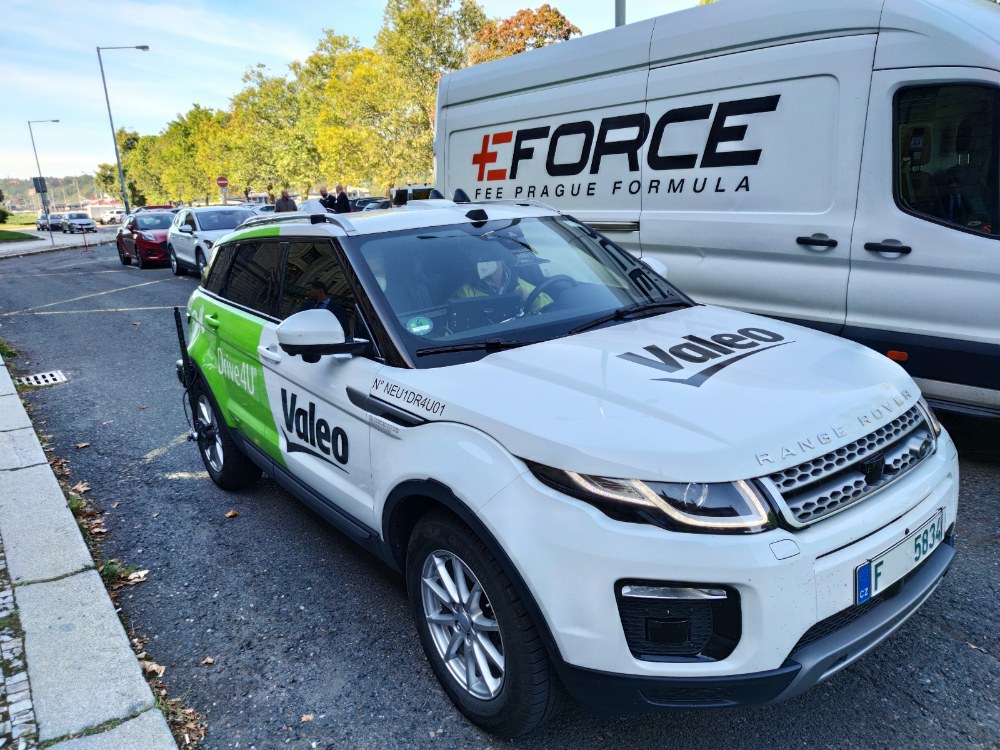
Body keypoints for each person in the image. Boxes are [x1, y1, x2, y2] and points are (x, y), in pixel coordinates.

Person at [453, 248, 553, 313]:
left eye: (487, 257)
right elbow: (459, 324)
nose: (480, 262)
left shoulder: (518, 284)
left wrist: (528, 300)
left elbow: (551, 309)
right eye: (477, 259)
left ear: (501, 260)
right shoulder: (466, 292)